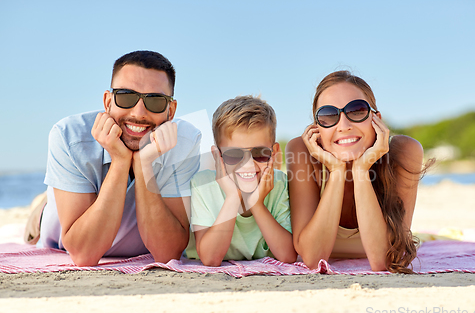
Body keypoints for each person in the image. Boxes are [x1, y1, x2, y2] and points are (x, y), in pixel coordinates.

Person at [36, 50, 201, 266]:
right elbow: (84, 255)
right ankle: (39, 209)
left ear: (171, 110)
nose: (139, 112)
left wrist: (143, 165)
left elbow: (167, 254)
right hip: (56, 235)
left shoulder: (186, 141)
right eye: (126, 96)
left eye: (155, 101)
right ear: (107, 102)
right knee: (45, 213)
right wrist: (120, 162)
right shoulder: (68, 135)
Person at [286, 71, 431, 273]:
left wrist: (361, 170)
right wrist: (336, 171)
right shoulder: (302, 151)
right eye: (328, 116)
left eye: (356, 111)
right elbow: (312, 258)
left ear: (376, 119)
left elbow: (383, 261)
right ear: (317, 128)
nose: (344, 126)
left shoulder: (404, 152)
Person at [185, 96, 297, 266]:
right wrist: (232, 198)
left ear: (274, 152)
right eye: (234, 155)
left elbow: (287, 255)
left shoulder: (279, 183)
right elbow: (210, 258)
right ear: (217, 156)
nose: (248, 164)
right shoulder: (202, 185)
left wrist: (257, 204)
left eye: (259, 153)